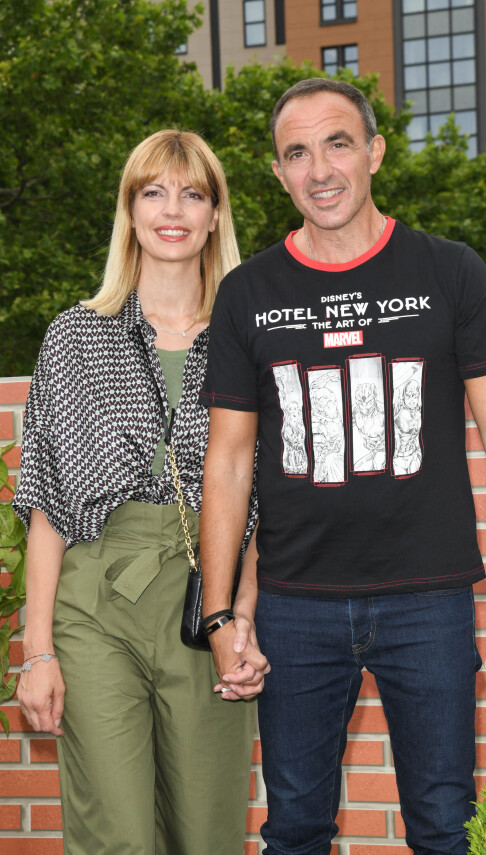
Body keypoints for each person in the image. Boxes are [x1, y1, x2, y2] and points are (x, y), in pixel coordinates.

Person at [198, 78, 486, 855]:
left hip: (430, 599)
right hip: (294, 605)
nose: (320, 168)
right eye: (297, 152)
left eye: (338, 142)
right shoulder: (246, 293)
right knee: (292, 830)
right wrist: (222, 615)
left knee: (447, 826)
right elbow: (228, 461)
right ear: (278, 172)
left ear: (376, 152)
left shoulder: (450, 271)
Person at [14, 129, 267, 855]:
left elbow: (266, 500)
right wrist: (37, 651)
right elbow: (47, 501)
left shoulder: (249, 340)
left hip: (206, 598)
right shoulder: (74, 336)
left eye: (192, 193)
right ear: (129, 211)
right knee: (115, 834)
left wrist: (242, 614)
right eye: (152, 191)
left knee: (207, 830)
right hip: (95, 599)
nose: (172, 209)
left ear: (216, 214)